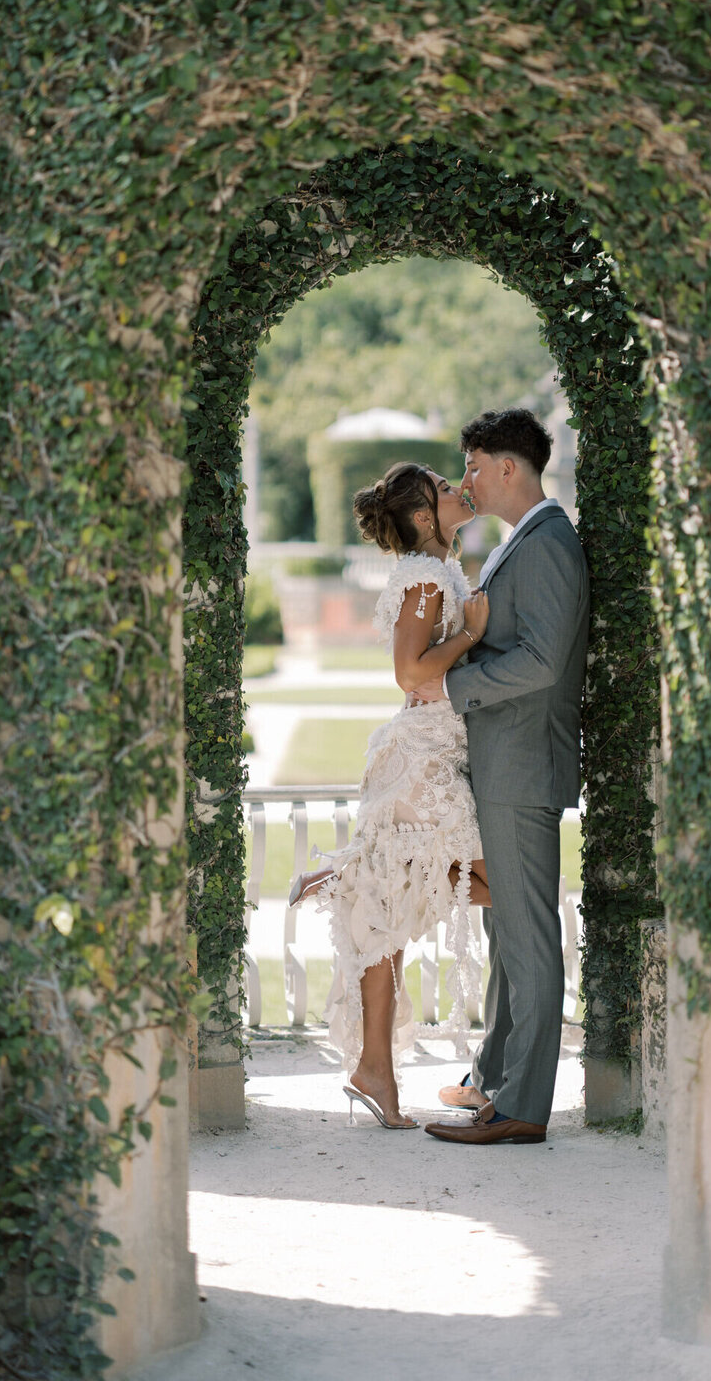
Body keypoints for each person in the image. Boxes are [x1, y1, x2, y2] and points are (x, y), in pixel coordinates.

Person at [286, 462, 491, 1130]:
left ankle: (374, 1067)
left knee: (390, 909)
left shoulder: (438, 569)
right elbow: (410, 672)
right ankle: (353, 868)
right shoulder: (430, 577)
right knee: (498, 882)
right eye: (441, 484)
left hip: (433, 751)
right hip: (423, 760)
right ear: (425, 516)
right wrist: (473, 633)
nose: (458, 483)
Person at [415, 409, 589, 1148]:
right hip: (506, 765)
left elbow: (544, 663)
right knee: (507, 933)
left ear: (510, 468)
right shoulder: (526, 541)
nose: (467, 481)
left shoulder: (548, 546)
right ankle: (495, 1081)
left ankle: (522, 1107)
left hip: (523, 766)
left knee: (528, 936)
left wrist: (460, 685)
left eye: (476, 466)